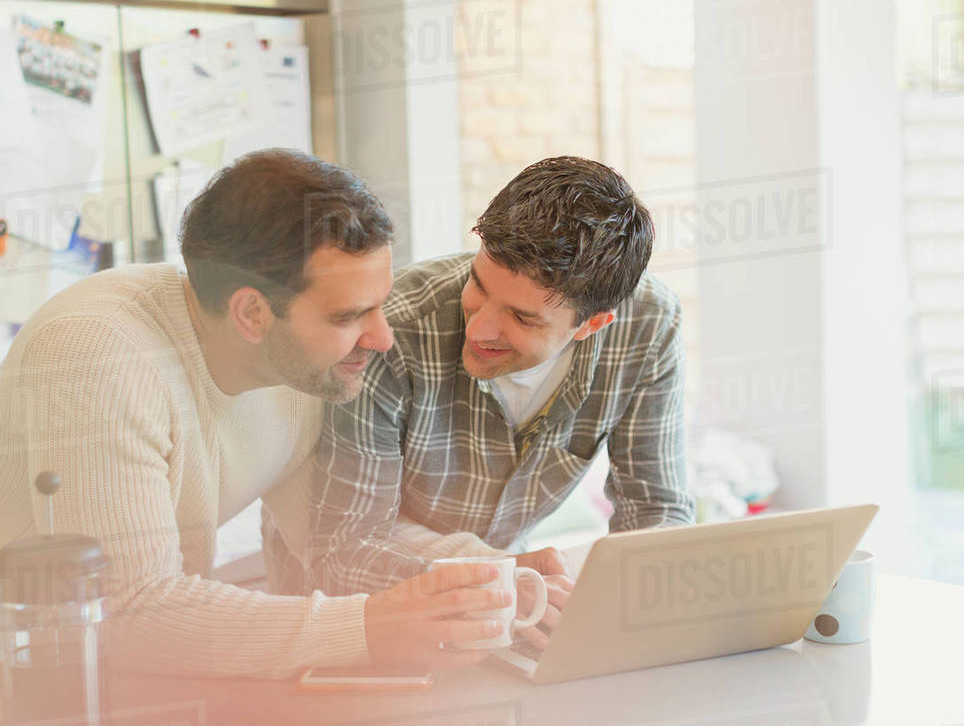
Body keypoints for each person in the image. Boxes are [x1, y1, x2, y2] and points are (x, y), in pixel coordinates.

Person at [0, 149, 513, 680]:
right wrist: (368, 627)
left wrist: (489, 572)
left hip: (117, 641)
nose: (380, 338)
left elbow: (337, 530)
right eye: (348, 316)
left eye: (377, 307)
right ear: (251, 314)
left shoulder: (304, 366)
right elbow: (133, 610)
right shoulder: (98, 352)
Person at [294, 156, 695, 649]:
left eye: (522, 319)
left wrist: (617, 615)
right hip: (352, 616)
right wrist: (497, 579)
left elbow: (657, 511)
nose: (479, 329)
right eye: (478, 286)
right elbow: (342, 552)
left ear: (591, 326)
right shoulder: (387, 336)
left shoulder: (649, 328)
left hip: (506, 601)